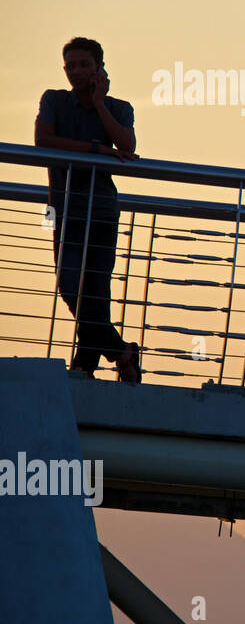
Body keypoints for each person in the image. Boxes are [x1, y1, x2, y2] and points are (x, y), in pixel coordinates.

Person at [34, 37, 142, 382]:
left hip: (102, 208)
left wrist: (99, 104)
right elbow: (43, 141)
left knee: (96, 290)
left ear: (99, 68)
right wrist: (98, 149)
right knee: (70, 285)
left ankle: (84, 366)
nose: (76, 71)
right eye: (70, 65)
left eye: (84, 64)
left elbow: (127, 145)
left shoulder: (119, 107)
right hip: (61, 208)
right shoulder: (54, 100)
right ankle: (122, 352)